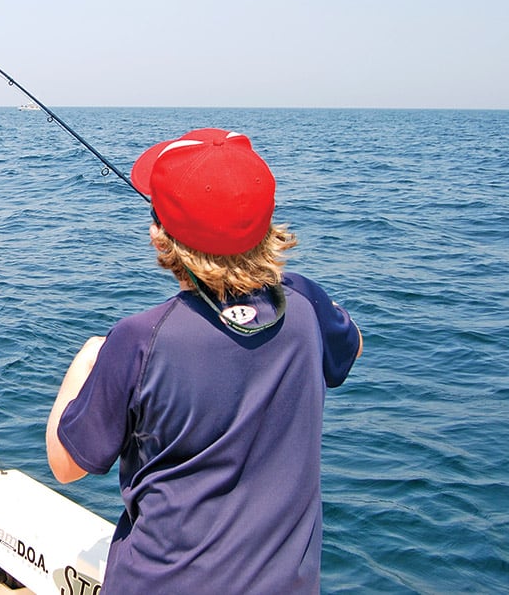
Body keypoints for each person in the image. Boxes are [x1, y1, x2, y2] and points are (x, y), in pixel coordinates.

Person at [46, 128, 362, 594]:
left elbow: (67, 465)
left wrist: (86, 362)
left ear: (160, 236)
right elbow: (350, 348)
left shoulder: (137, 340)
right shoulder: (306, 303)